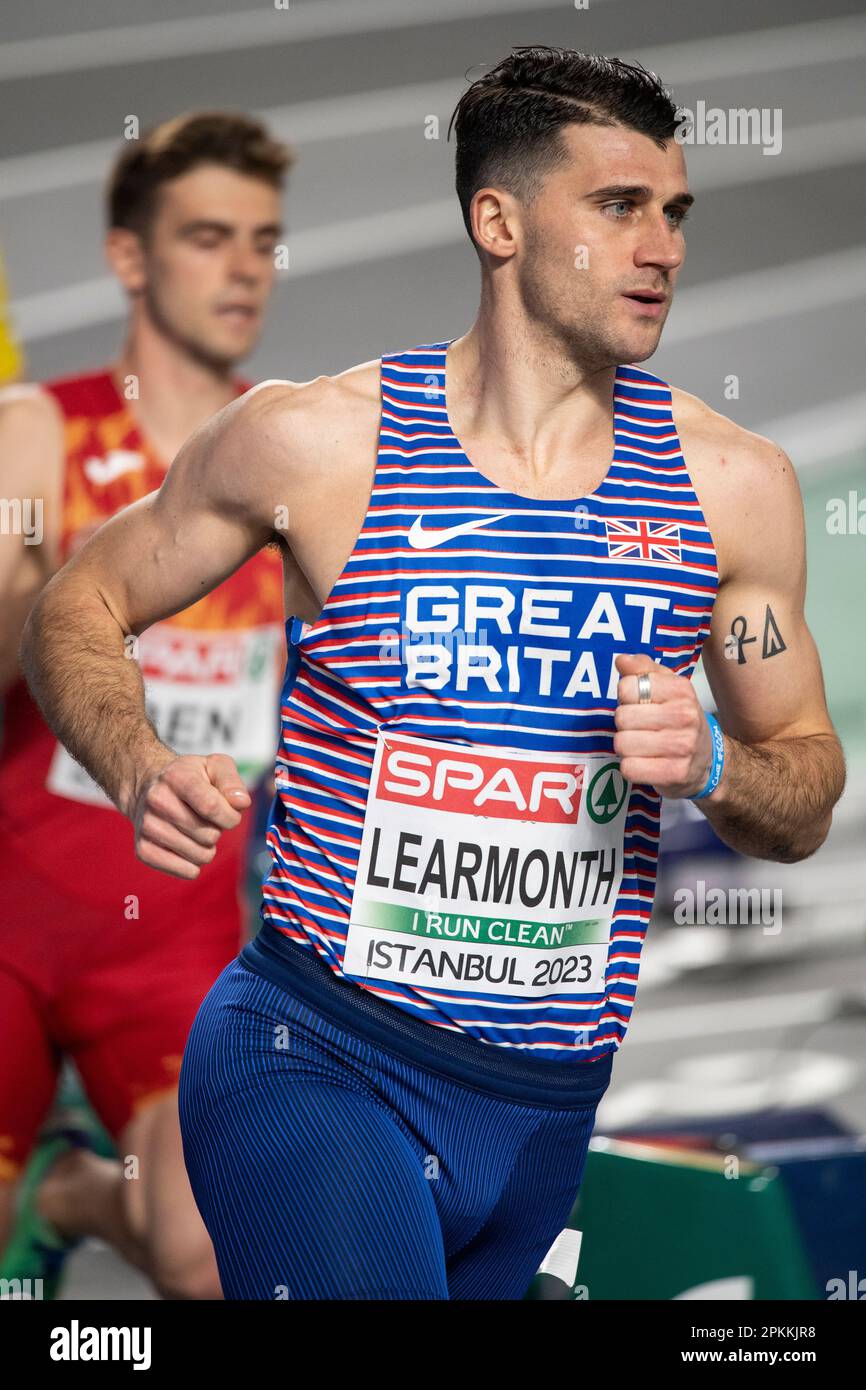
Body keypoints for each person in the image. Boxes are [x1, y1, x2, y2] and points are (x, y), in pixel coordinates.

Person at [20, 49, 845, 1300]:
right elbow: (80, 598)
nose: (660, 246)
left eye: (674, 211)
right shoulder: (316, 445)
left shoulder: (732, 490)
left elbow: (805, 785)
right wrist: (132, 762)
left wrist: (716, 763)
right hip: (316, 1059)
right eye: (617, 207)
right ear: (497, 220)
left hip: (544, 1113)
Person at [0, 111, 292, 1298]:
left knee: (210, 1259)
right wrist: (34, 588)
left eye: (265, 241)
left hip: (174, 928)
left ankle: (71, 1188)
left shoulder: (287, 459)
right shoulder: (38, 431)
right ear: (130, 257)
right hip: (14, 916)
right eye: (208, 236)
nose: (243, 269)